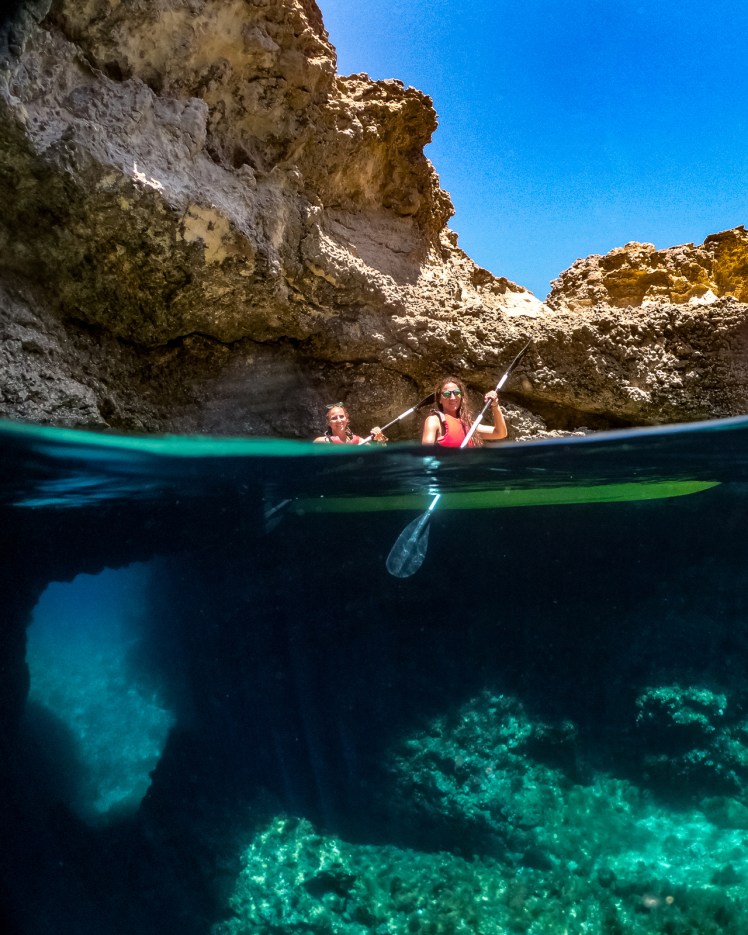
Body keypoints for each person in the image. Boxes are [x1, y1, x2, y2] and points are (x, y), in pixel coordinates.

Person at [421, 377, 507, 447]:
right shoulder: (434, 421)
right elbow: (426, 454)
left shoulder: (470, 425)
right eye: (447, 394)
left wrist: (495, 406)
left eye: (456, 392)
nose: (452, 397)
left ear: (461, 396)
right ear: (440, 399)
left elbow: (500, 433)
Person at [313, 403, 386, 445]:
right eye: (334, 418)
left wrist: (380, 438)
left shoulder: (359, 441)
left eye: (341, 416)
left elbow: (379, 457)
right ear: (328, 422)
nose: (339, 420)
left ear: (346, 419)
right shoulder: (321, 442)